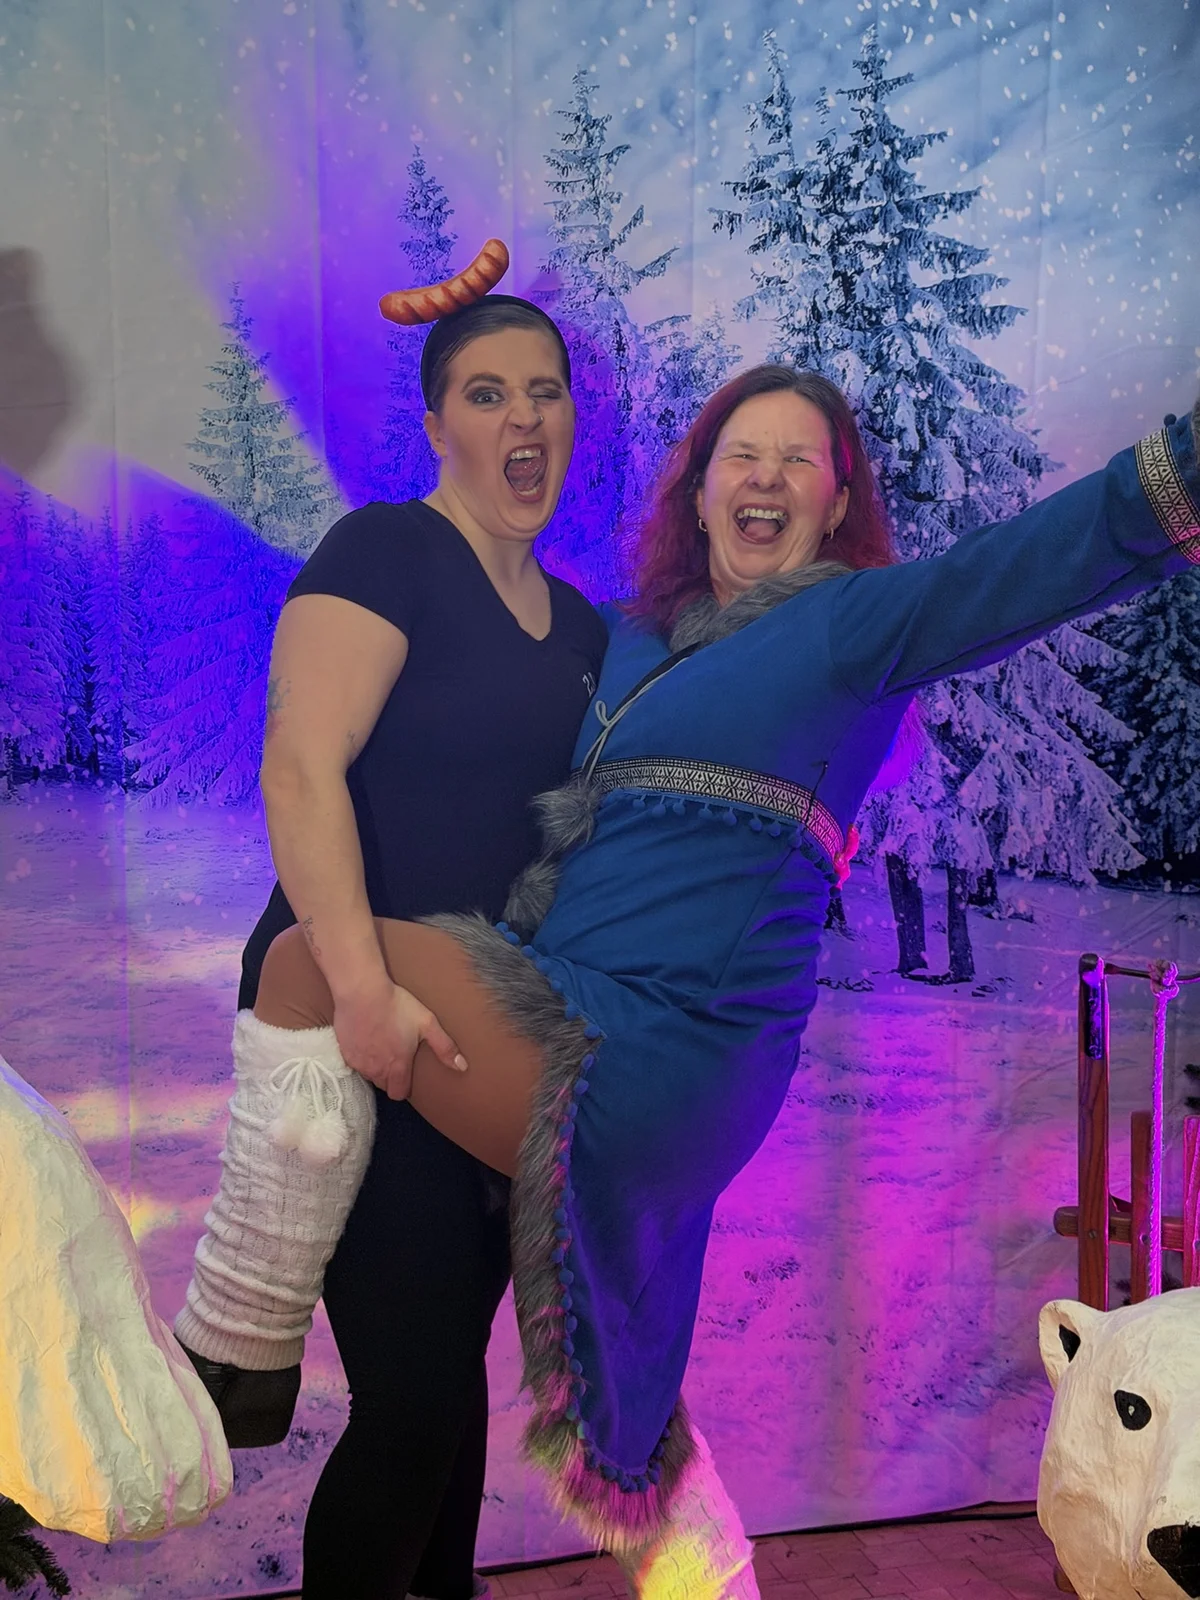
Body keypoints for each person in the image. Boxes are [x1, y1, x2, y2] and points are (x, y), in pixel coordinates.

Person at [199, 358, 1200, 1600]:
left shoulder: (857, 624)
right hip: (559, 992)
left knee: (308, 961)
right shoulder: (628, 641)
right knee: (531, 1356)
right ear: (702, 486)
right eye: (741, 454)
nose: (765, 477)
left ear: (837, 503)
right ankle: (694, 1541)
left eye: (798, 460)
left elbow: (1031, 561)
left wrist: (1181, 471)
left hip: (674, 1043)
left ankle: (237, 1333)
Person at [173, 287, 608, 1600]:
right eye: (487, 392)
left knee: (448, 1380)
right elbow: (300, 765)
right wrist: (363, 993)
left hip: (484, 1036)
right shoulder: (384, 552)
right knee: (412, 1396)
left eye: (544, 391)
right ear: (437, 424)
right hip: (352, 1021)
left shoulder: (585, 631)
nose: (521, 417)